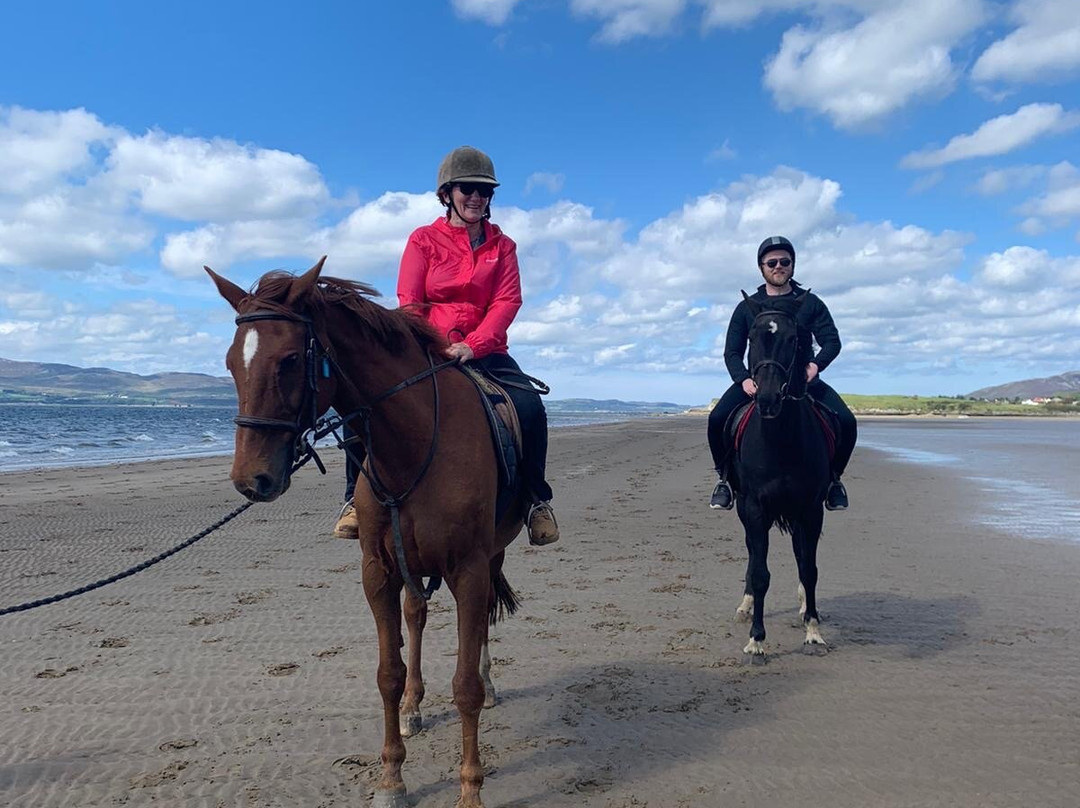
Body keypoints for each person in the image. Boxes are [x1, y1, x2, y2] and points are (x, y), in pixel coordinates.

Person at [334, 146, 558, 545]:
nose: (476, 197)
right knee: (364, 403)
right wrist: (435, 345)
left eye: (484, 191)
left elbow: (507, 301)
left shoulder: (503, 247)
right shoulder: (423, 239)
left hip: (485, 349)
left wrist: (474, 345)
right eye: (467, 188)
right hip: (426, 347)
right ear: (447, 193)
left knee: (530, 408)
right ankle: (354, 497)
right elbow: (411, 301)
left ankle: (535, 501)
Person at [706, 235, 857, 512]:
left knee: (847, 421)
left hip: (803, 382)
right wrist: (743, 379)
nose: (779, 266)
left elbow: (832, 342)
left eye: (784, 262)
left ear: (792, 265)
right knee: (716, 419)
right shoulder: (746, 308)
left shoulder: (810, 304)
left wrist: (815, 365)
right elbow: (732, 352)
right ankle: (725, 480)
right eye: (772, 262)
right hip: (757, 383)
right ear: (761, 267)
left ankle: (834, 480)